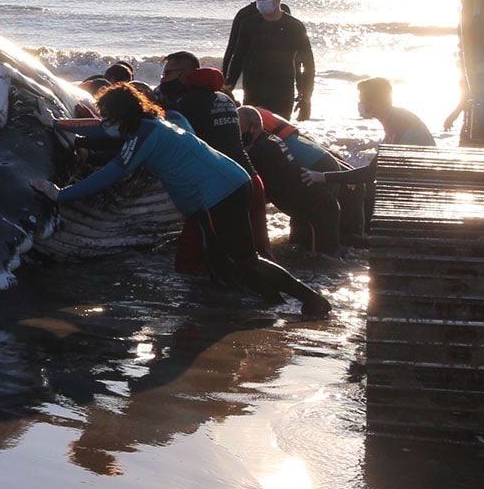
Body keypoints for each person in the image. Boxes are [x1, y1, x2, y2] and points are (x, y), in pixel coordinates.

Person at [32, 83, 332, 316]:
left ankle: (312, 300)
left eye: (110, 114)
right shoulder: (148, 121)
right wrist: (58, 123)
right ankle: (270, 301)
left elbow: (110, 173)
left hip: (223, 190)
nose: (107, 120)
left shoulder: (144, 136)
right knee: (215, 251)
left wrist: (60, 194)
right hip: (218, 188)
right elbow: (101, 126)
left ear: (123, 113)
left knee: (244, 257)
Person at [238, 107, 342, 255]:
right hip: (317, 203)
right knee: (307, 252)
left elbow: (256, 191)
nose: (236, 134)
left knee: (322, 260)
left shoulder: (259, 151)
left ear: (254, 128)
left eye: (239, 129)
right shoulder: (270, 139)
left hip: (319, 210)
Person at [221, 0, 315, 119]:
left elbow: (308, 64)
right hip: (253, 90)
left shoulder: (294, 26)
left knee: (279, 136)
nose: (260, 2)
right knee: (252, 134)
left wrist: (306, 97)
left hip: (282, 91)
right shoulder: (249, 24)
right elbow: (237, 57)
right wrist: (228, 86)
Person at [356, 77, 435, 146]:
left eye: (363, 101)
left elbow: (390, 158)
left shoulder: (399, 124)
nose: (360, 104)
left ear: (377, 102)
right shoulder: (394, 117)